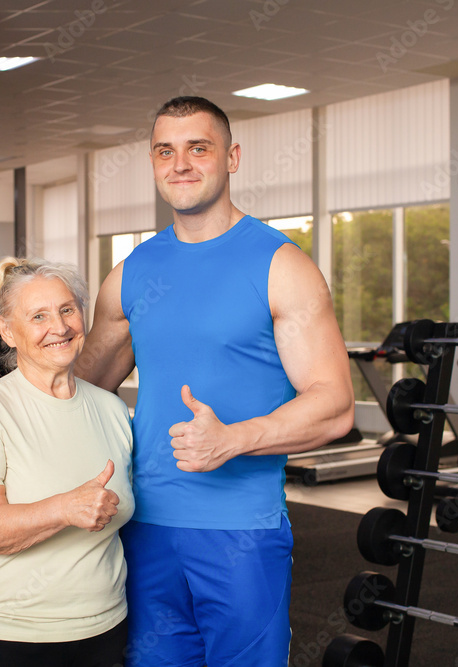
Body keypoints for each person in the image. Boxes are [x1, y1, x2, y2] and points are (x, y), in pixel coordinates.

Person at [77, 96, 355, 666]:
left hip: (240, 533)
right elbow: (82, 387)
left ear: (231, 157)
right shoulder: (131, 274)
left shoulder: (281, 265)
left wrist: (234, 439)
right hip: (145, 525)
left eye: (197, 148)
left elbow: (334, 405)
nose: (180, 163)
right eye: (165, 151)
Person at [0, 257, 134, 667]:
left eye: (68, 310)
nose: (60, 327)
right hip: (15, 631)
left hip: (106, 624)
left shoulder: (112, 409)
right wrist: (65, 508)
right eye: (39, 316)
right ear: (7, 331)